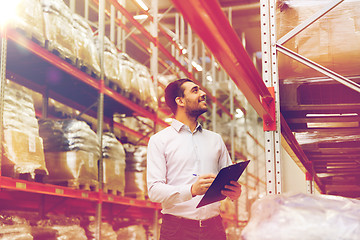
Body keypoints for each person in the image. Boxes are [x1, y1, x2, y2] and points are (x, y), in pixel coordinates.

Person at [147, 78, 242, 240]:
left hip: (214, 228)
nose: (203, 93)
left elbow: (228, 179)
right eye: (195, 90)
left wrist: (235, 192)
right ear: (180, 100)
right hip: (177, 230)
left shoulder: (215, 140)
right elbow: (154, 191)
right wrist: (191, 190)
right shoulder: (159, 140)